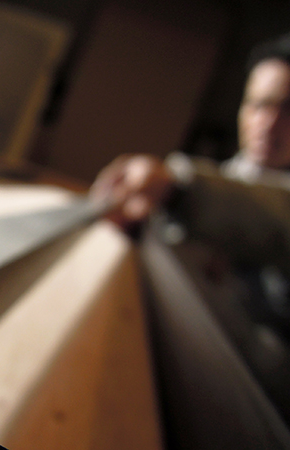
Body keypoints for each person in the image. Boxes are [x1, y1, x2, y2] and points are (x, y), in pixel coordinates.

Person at [90, 33, 290, 426]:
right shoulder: (229, 178)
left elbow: (270, 215)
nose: (269, 123)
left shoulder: (217, 192)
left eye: (289, 109)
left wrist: (178, 188)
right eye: (259, 104)